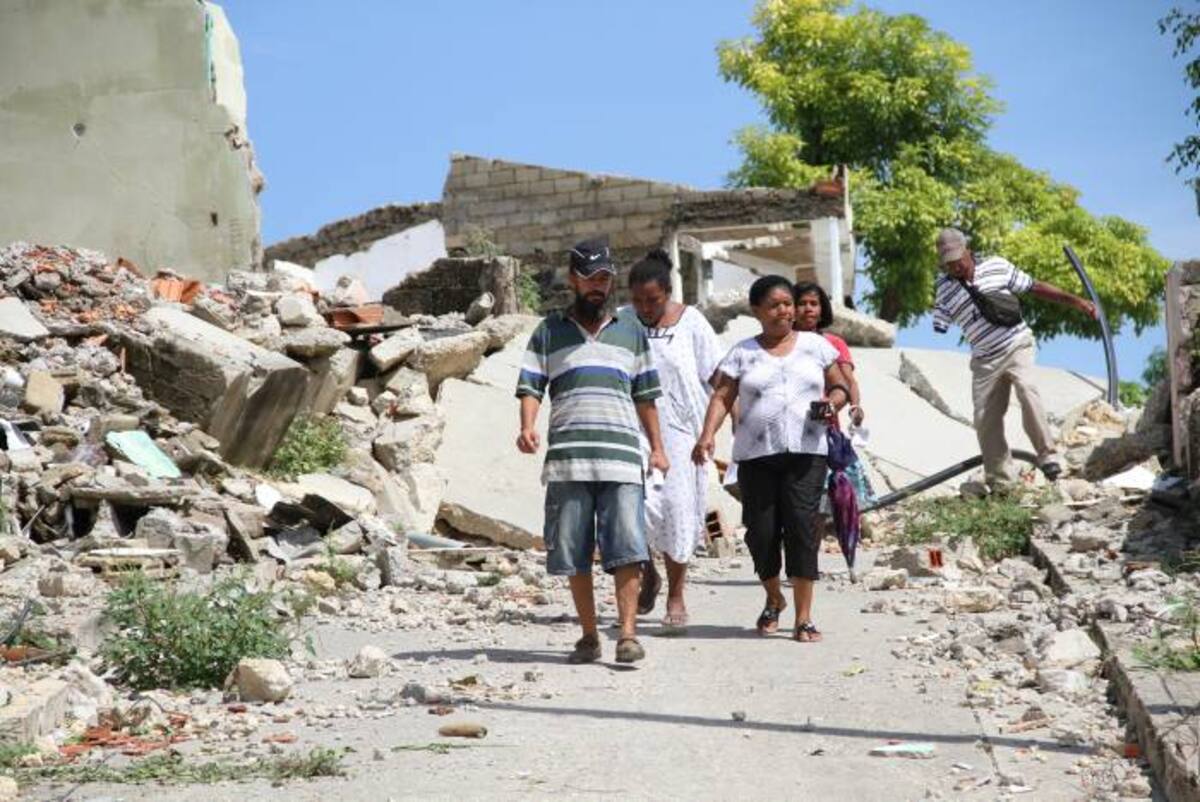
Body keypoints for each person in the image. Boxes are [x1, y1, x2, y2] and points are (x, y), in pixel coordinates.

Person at [515, 237, 670, 665]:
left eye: (603, 278)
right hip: (568, 460)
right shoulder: (548, 331)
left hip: (621, 458)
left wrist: (657, 447)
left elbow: (646, 394)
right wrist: (527, 426)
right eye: (588, 278)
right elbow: (531, 385)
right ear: (573, 280)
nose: (597, 287)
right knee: (574, 550)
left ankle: (626, 635)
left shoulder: (631, 330)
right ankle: (588, 635)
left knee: (628, 547)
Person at [693, 275, 851, 643]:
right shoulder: (742, 352)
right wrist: (707, 436)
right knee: (761, 534)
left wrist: (834, 403)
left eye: (788, 304)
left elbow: (840, 385)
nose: (785, 311)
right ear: (757, 311)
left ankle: (804, 617)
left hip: (807, 454)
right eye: (775, 305)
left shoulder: (815, 346)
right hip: (756, 456)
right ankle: (774, 598)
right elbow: (722, 397)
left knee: (802, 530)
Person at [933, 228, 1097, 488]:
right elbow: (940, 322)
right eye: (949, 264)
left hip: (1016, 344)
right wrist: (942, 319)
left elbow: (1034, 287)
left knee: (1027, 389)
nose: (955, 267)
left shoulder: (996, 266)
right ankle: (1001, 482)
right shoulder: (944, 288)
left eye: (958, 260)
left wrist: (1075, 301)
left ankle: (1048, 457)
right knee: (985, 418)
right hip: (985, 361)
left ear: (968, 251)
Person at [620, 249, 724, 632]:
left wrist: (715, 431)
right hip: (632, 429)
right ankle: (647, 569)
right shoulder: (622, 321)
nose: (646, 308)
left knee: (677, 509)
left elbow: (719, 379)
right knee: (633, 506)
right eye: (639, 300)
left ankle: (676, 593)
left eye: (654, 300)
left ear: (667, 293)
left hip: (682, 433)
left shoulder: (692, 322)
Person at [792, 282, 875, 509]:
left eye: (814, 304)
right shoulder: (783, 343)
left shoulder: (833, 343)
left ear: (822, 310)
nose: (808, 309)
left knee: (833, 492)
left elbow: (848, 383)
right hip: (790, 426)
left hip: (825, 423)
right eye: (802, 303)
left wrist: (853, 407)